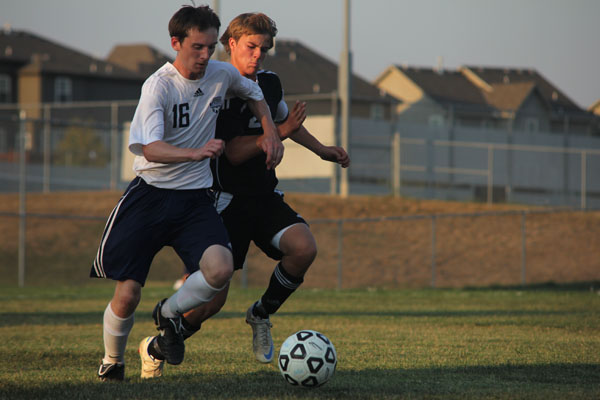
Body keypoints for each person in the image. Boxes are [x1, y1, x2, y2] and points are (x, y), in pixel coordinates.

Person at [138, 12, 350, 379]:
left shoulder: (268, 83)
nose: (258, 56)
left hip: (263, 197)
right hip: (223, 202)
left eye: (264, 50)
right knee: (210, 301)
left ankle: (261, 313)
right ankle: (156, 346)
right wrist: (278, 132)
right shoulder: (215, 84)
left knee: (304, 248)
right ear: (230, 44)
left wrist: (321, 149)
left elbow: (285, 121)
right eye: (251, 47)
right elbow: (233, 153)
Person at [90, 5, 284, 382]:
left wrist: (271, 131)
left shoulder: (221, 73)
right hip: (150, 196)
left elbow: (256, 94)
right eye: (197, 47)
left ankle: (167, 313)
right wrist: (194, 153)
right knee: (127, 294)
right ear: (176, 42)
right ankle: (112, 361)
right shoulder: (158, 86)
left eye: (211, 47)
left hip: (195, 199)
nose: (205, 55)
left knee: (220, 269)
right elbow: (150, 148)